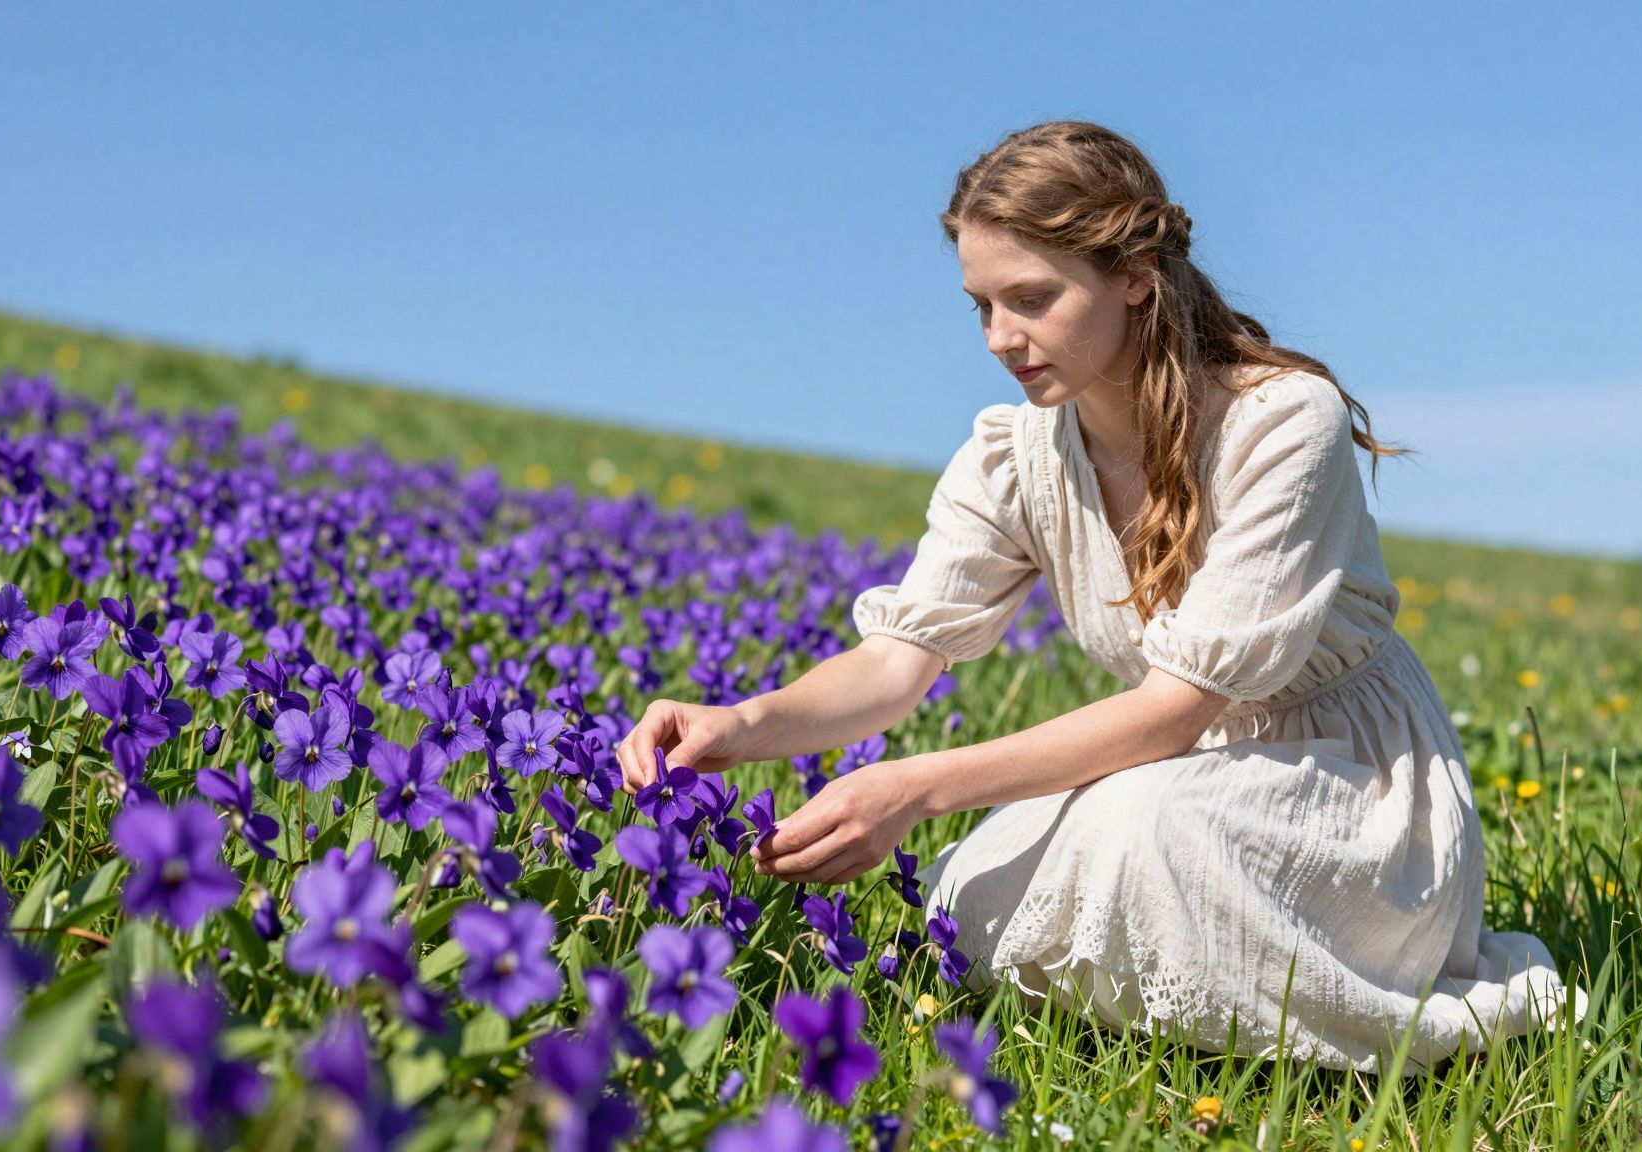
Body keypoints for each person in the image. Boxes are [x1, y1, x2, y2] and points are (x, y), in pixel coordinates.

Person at [613, 120, 1581, 1072]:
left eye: (1030, 299)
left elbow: (1175, 709)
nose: (1000, 338)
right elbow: (896, 663)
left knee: (1140, 835)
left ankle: (1335, 1017)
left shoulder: (1281, 424)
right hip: (1168, 768)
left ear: (1133, 274)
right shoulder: (1016, 453)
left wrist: (911, 788)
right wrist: (739, 723)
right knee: (966, 889)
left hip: (1348, 786)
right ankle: (1178, 1022)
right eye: (979, 306)